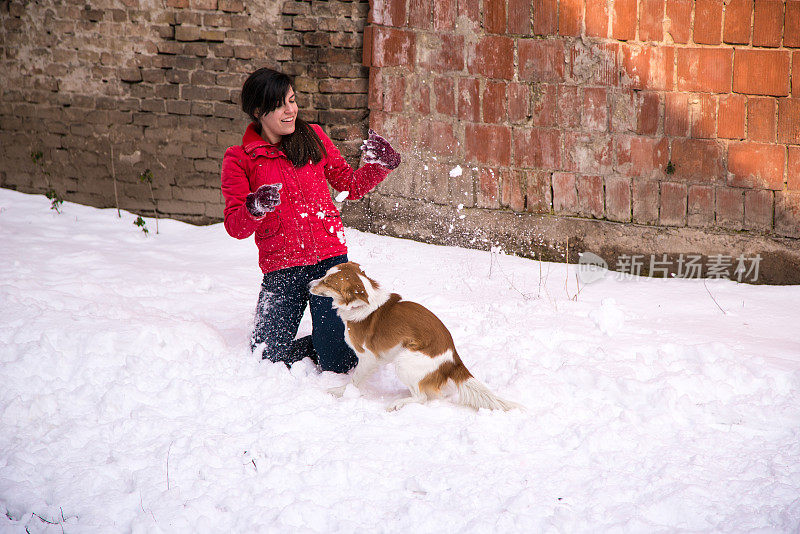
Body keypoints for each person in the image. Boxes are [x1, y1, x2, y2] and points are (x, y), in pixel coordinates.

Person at [220, 67, 401, 373]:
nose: (291, 110)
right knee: (266, 358)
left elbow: (349, 184)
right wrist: (256, 205)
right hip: (282, 267)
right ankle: (324, 339)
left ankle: (338, 340)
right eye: (280, 105)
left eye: (292, 100)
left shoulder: (313, 136)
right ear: (258, 111)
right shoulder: (240, 158)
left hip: (330, 261)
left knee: (339, 362)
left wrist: (380, 166)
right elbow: (235, 225)